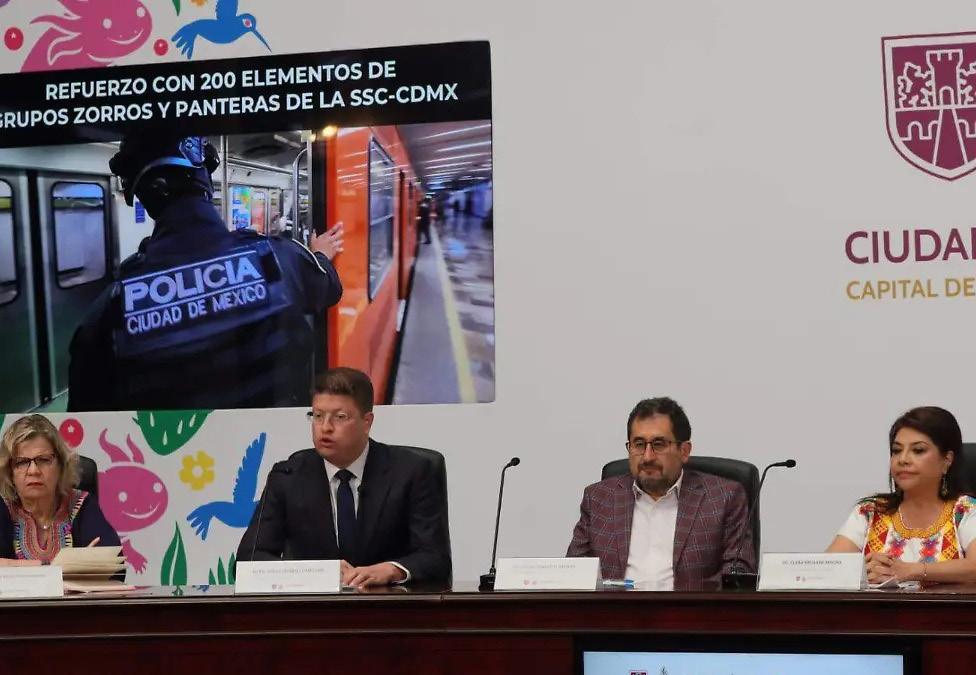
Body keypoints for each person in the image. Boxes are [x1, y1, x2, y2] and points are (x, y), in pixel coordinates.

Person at [67, 134, 344, 411]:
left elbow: (84, 419)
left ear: (142, 196)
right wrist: (319, 255)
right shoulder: (280, 258)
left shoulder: (109, 312)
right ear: (206, 182)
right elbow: (329, 287)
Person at [236, 367, 451, 588]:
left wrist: (392, 570)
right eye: (317, 416)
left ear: (367, 422)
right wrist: (317, 573)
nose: (325, 428)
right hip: (314, 606)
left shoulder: (410, 472)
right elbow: (248, 560)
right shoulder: (287, 477)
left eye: (340, 417)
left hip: (387, 603)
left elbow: (435, 557)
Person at [567, 397, 754, 590]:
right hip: (616, 609)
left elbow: (738, 578)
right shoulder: (598, 498)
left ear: (684, 451)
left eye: (658, 444)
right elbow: (573, 576)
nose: (647, 457)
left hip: (692, 609)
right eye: (639, 444)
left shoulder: (724, 498)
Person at [827, 406, 976, 584]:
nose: (902, 459)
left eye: (918, 450)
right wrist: (862, 571)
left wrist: (912, 571)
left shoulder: (965, 511)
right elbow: (826, 571)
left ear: (947, 460)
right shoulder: (871, 511)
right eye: (896, 450)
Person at [0, 415, 121, 568]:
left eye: (44, 460)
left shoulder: (82, 504)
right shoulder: (3, 506)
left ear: (61, 465)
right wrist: (53, 566)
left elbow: (113, 563)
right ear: (9, 471)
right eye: (22, 462)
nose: (33, 471)